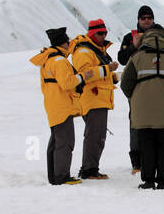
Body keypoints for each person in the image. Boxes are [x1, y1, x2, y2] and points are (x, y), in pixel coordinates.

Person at [120, 26, 164, 189]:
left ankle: (148, 180)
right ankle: (163, 181)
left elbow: (125, 84)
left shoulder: (137, 57)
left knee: (146, 145)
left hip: (142, 109)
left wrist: (136, 97)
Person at [30, 26, 82, 185]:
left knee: (56, 141)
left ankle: (54, 176)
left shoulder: (48, 59)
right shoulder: (60, 61)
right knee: (65, 142)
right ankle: (62, 176)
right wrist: (81, 77)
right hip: (62, 106)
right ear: (63, 43)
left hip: (53, 104)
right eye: (68, 41)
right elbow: (67, 83)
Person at [69, 19, 118, 180]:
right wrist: (107, 69)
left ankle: (90, 168)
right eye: (99, 33)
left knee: (97, 135)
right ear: (91, 34)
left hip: (99, 98)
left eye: (105, 33)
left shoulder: (96, 50)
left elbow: (97, 74)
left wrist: (113, 77)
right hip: (92, 98)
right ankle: (89, 170)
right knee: (95, 136)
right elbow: (85, 73)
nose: (103, 36)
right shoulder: (84, 51)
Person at [118, 6, 161, 175]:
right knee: (136, 123)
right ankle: (137, 160)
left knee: (157, 122)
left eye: (149, 17)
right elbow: (121, 59)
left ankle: (156, 158)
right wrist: (133, 46)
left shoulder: (160, 35)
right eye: (143, 17)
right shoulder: (130, 37)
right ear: (138, 19)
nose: (146, 20)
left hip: (157, 84)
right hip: (136, 86)